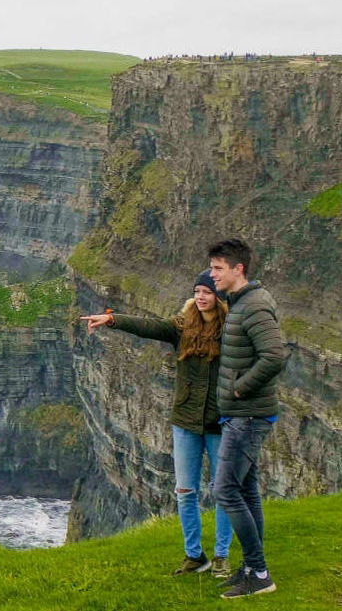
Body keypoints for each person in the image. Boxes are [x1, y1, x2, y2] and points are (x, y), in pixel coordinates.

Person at [80, 271, 234, 578]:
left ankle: (221, 555)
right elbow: (148, 327)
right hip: (186, 422)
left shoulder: (232, 331)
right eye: (197, 291)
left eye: (208, 292)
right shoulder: (182, 326)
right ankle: (194, 555)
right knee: (185, 490)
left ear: (220, 297)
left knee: (225, 491)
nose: (201, 297)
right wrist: (112, 320)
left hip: (220, 423)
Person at [208, 238, 286, 599]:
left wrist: (240, 389)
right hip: (243, 416)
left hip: (248, 416)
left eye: (218, 269)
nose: (212, 275)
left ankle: (259, 571)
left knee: (224, 489)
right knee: (247, 490)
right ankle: (253, 568)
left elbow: (274, 356)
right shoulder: (240, 303)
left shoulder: (253, 307)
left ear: (238, 269)